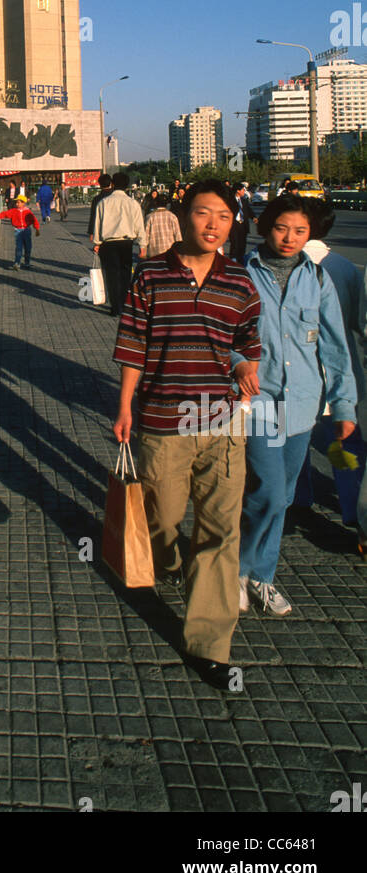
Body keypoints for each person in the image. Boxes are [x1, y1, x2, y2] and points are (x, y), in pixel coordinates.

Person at [113, 180, 262, 691]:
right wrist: (124, 408)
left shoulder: (239, 282)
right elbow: (133, 342)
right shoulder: (150, 274)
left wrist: (246, 370)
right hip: (161, 424)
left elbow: (247, 339)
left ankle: (210, 644)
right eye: (204, 214)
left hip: (221, 424)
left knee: (221, 534)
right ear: (184, 216)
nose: (214, 224)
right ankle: (170, 559)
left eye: (224, 216)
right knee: (163, 518)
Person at [235, 194, 357, 617]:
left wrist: (344, 407)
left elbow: (336, 348)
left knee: (283, 497)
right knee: (267, 490)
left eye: (300, 231)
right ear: (266, 226)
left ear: (312, 234)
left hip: (303, 402)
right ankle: (239, 571)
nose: (289, 238)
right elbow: (222, 335)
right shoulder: (240, 274)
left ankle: (261, 579)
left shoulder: (318, 279)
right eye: (282, 227)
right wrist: (237, 364)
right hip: (261, 401)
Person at [291, 202, 367, 539]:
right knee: (345, 441)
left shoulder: (284, 265)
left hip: (296, 376)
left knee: (298, 441)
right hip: (340, 373)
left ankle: (300, 500)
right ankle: (352, 510)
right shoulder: (345, 267)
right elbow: (357, 324)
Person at [92, 172, 147, 316]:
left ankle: (114, 307)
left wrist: (97, 243)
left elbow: (97, 224)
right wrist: (143, 246)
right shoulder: (132, 203)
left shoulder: (103, 203)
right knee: (125, 274)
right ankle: (124, 304)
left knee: (111, 275)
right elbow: (139, 226)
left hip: (108, 244)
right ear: (127, 186)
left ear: (112, 184)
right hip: (126, 244)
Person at [0, 193, 40, 270]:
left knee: (28, 247)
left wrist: (37, 229)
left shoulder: (28, 212)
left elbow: (34, 220)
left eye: (18, 202)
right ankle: (17, 263)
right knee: (19, 247)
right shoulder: (14, 211)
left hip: (26, 230)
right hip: (18, 231)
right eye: (16, 202)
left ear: (23, 203)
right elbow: (5, 214)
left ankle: (27, 262)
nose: (17, 204)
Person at [228, 184, 256, 264]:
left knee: (242, 244)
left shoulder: (244, 200)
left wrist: (254, 217)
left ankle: (241, 261)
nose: (244, 192)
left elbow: (248, 210)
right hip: (234, 225)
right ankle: (232, 261)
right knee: (234, 244)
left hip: (243, 225)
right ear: (238, 191)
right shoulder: (230, 201)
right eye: (243, 190)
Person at [87, 173, 113, 239]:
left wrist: (91, 232)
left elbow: (93, 216)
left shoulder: (97, 199)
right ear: (110, 183)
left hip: (102, 230)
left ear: (100, 184)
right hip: (116, 230)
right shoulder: (115, 196)